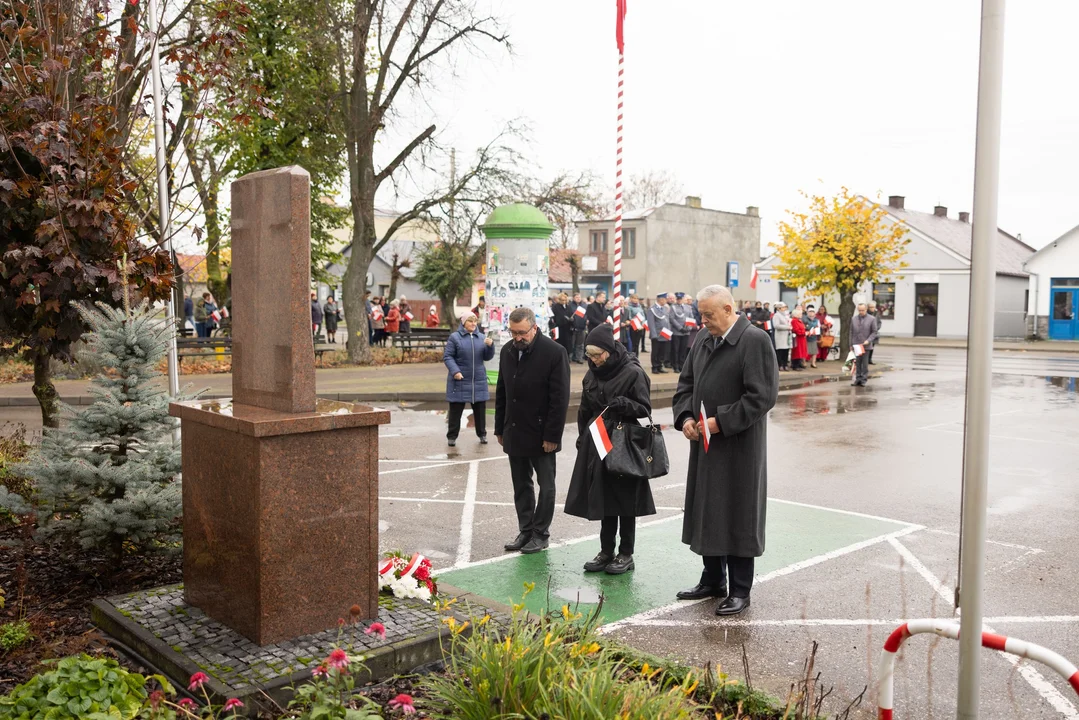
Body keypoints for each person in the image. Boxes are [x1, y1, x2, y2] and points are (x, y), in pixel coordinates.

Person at [673, 285, 779, 616]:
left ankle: (740, 590)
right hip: (705, 444)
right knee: (709, 509)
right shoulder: (704, 339)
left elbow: (761, 397)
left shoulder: (755, 341)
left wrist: (721, 422)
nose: (702, 320)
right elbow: (685, 385)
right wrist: (686, 417)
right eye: (700, 314)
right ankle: (713, 579)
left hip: (739, 447)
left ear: (729, 310)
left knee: (737, 512)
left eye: (708, 314)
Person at [565, 323, 655, 575]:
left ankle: (626, 554)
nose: (594, 361)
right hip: (598, 441)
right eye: (590, 356)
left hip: (624, 442)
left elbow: (644, 409)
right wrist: (583, 436)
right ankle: (606, 551)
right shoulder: (591, 373)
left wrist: (625, 404)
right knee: (602, 497)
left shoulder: (632, 372)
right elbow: (584, 409)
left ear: (609, 350)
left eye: (597, 355)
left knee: (625, 499)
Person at [495, 308, 571, 555]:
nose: (517, 338)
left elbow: (559, 399)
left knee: (546, 486)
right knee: (521, 485)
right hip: (514, 430)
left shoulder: (554, 353)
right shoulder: (508, 351)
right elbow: (502, 392)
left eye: (522, 333)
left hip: (541, 435)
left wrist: (552, 436)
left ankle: (541, 533)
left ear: (534, 328)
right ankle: (526, 530)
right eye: (513, 332)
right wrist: (499, 428)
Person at [444, 312, 496, 447]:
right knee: (456, 409)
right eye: (470, 321)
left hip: (478, 378)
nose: (473, 324)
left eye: (475, 321)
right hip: (460, 378)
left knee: (480, 409)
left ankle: (482, 434)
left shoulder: (482, 337)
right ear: (463, 323)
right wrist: (455, 371)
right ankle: (452, 436)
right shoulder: (455, 338)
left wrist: (490, 346)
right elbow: (448, 357)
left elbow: (487, 357)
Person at [850, 303, 879, 387]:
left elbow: (874, 332)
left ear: (866, 310)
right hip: (856, 344)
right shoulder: (854, 319)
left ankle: (863, 379)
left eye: (862, 310)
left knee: (865, 364)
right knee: (857, 363)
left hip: (866, 345)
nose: (861, 312)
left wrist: (869, 340)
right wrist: (851, 344)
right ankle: (857, 379)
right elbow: (851, 332)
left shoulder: (872, 319)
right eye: (859, 310)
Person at [648, 293, 672, 374]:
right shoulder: (652, 309)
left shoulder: (664, 308)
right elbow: (651, 323)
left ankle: (660, 366)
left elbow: (667, 321)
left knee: (662, 351)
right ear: (661, 299)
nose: (666, 300)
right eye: (665, 299)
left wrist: (669, 333)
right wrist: (654, 335)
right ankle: (654, 367)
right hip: (657, 335)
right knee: (656, 351)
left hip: (665, 334)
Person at [669, 292, 689, 373]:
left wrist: (689, 328)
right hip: (677, 332)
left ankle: (682, 365)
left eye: (681, 299)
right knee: (676, 350)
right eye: (678, 299)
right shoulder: (673, 307)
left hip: (686, 332)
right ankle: (676, 366)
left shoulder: (688, 307)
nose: (679, 300)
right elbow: (672, 319)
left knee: (683, 350)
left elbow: (691, 317)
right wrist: (680, 328)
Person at [570, 292, 588, 364]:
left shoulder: (584, 306)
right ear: (574, 298)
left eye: (579, 297)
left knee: (580, 344)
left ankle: (579, 358)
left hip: (582, 327)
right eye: (577, 297)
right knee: (572, 344)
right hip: (573, 328)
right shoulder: (570, 306)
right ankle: (571, 357)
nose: (578, 299)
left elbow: (587, 314)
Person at [772, 302, 791, 371]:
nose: (784, 309)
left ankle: (785, 364)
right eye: (783, 307)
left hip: (786, 336)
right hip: (780, 336)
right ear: (779, 308)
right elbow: (776, 325)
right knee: (780, 351)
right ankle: (780, 365)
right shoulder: (776, 315)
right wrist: (787, 327)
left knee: (786, 351)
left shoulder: (785, 315)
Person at [789, 305, 808, 371]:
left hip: (801, 338)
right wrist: (803, 332)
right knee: (797, 352)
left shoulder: (799, 321)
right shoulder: (794, 321)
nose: (801, 315)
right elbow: (796, 330)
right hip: (798, 338)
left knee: (800, 352)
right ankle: (795, 365)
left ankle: (799, 364)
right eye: (800, 314)